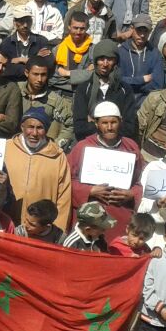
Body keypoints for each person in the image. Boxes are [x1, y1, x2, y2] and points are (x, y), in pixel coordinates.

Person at [67, 102, 143, 244]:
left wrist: (131, 194)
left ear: (120, 121)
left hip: (120, 215)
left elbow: (140, 181)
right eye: (104, 123)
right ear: (96, 124)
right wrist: (89, 190)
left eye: (113, 122)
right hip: (91, 217)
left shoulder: (131, 147)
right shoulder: (82, 147)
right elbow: (67, 180)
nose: (109, 127)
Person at [2, 107, 72, 233]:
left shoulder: (58, 156)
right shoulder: (6, 148)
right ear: (22, 127)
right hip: (7, 224)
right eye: (30, 127)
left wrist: (57, 231)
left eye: (40, 128)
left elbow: (64, 198)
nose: (34, 133)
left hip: (40, 230)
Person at [71, 40, 136, 142]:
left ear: (116, 62)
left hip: (118, 145)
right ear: (96, 61)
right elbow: (79, 128)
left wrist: (94, 123)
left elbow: (129, 128)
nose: (105, 64)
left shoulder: (124, 90)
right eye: (101, 59)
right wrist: (115, 124)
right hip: (90, 144)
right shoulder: (84, 89)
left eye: (110, 59)